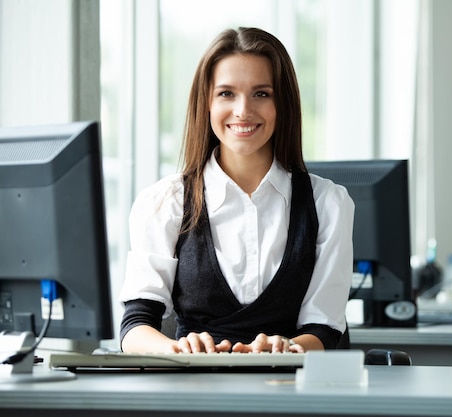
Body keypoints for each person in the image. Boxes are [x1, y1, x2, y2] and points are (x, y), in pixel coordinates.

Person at [119, 27, 354, 354]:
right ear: (207, 103)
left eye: (261, 93)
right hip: (195, 394)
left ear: (282, 104)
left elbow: (325, 329)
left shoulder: (328, 203)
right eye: (226, 93)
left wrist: (286, 349)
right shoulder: (164, 203)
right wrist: (179, 350)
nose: (243, 110)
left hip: (293, 392)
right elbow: (135, 327)